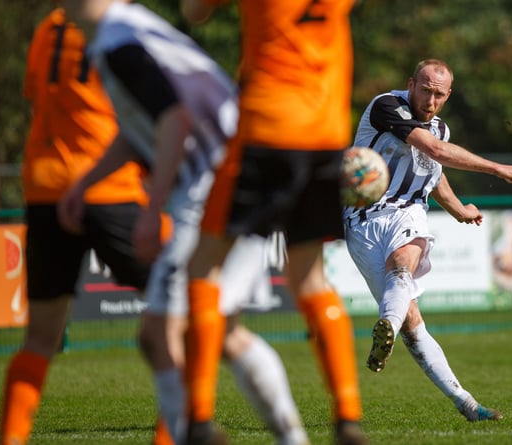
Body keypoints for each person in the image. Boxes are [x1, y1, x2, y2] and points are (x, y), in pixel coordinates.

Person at [57, 2, 309, 445]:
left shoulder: (119, 42)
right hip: (246, 172)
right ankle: (292, 439)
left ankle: (194, 432)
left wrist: (152, 211)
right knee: (221, 330)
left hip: (220, 184)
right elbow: (147, 128)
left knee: (158, 333)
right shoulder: (129, 31)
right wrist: (86, 183)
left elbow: (175, 120)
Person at [179, 1, 368, 444]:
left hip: (267, 128)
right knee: (309, 276)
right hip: (325, 134)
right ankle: (347, 417)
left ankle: (199, 418)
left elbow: (195, 12)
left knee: (203, 267)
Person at [0, 7, 151, 445]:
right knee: (175, 308)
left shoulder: (47, 27)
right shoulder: (123, 25)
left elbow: (38, 96)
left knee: (41, 337)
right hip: (108, 186)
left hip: (45, 187)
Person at [343, 59, 512, 421]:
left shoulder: (441, 128)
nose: (431, 99)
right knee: (411, 321)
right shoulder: (386, 106)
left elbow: (433, 172)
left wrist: (458, 210)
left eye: (439, 94)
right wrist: (495, 168)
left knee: (404, 262)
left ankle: (467, 404)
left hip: (408, 213)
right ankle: (397, 332)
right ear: (411, 83)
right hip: (363, 220)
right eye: (425, 89)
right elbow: (434, 151)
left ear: (448, 95)